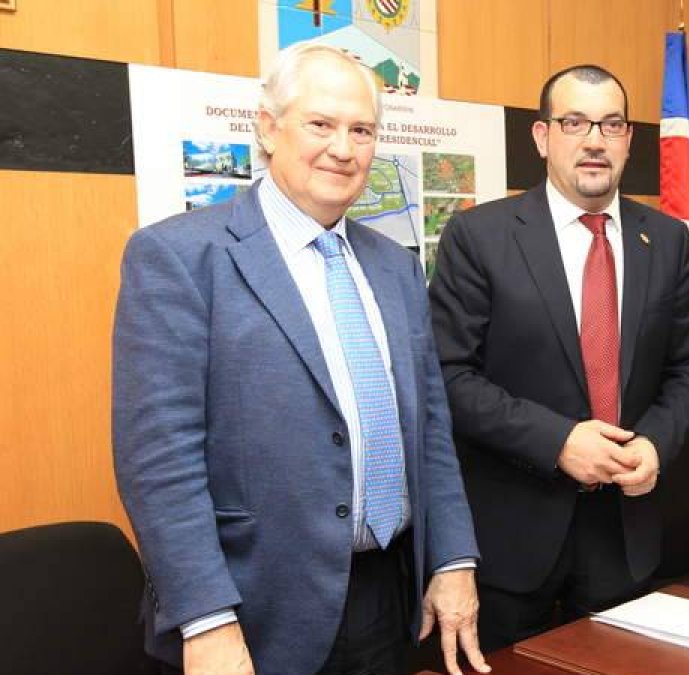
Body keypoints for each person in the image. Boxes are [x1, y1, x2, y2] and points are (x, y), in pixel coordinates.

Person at [112, 42, 487, 675]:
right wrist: (205, 617)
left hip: (386, 598)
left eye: (362, 130)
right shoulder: (178, 257)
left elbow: (431, 434)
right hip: (251, 609)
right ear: (267, 127)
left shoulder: (395, 268)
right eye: (321, 124)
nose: (343, 148)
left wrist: (451, 561)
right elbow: (158, 461)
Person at [428, 64, 689, 651]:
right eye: (575, 122)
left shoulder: (664, 241)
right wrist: (557, 440)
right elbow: (449, 377)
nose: (593, 140)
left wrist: (655, 442)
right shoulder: (478, 237)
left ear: (629, 139)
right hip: (512, 537)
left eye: (611, 124)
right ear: (542, 137)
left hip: (625, 534)